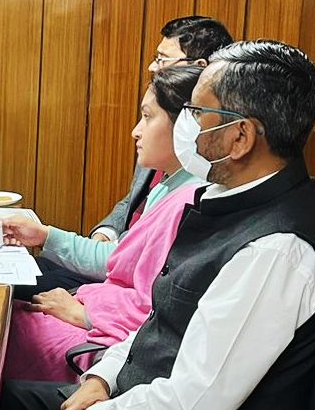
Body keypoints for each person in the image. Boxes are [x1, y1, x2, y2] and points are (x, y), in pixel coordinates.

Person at [0, 40, 315, 410]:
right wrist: (102, 377)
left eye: (198, 113)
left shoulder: (276, 248)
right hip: (137, 404)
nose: (186, 125)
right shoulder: (226, 200)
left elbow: (197, 401)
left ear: (240, 137)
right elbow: (161, 320)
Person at [2, 66, 204, 382]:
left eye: (147, 117)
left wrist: (85, 314)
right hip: (108, 306)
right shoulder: (168, 184)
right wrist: (43, 236)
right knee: (8, 314)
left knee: (4, 330)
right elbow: (123, 262)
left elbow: (158, 308)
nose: (136, 131)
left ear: (187, 127)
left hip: (116, 339)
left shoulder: (191, 200)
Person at [29, 15, 234, 296]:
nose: (153, 67)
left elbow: (146, 289)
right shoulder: (163, 158)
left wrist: (83, 308)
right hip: (115, 266)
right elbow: (131, 205)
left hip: (122, 284)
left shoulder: (195, 187)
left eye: (163, 60)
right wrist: (106, 233)